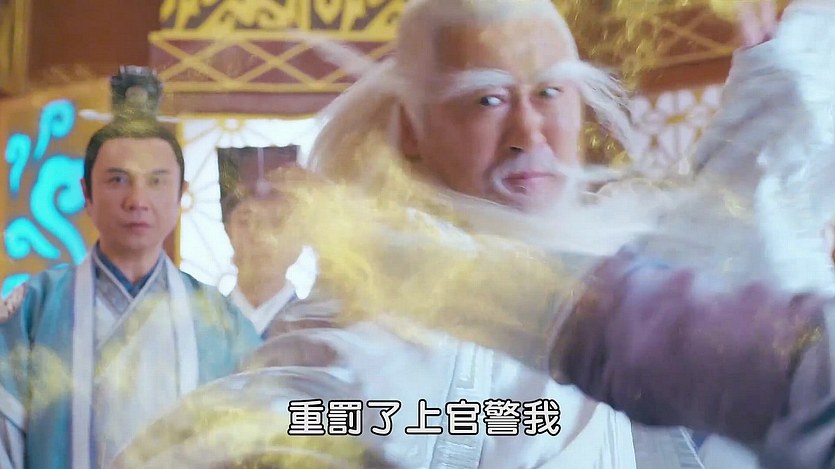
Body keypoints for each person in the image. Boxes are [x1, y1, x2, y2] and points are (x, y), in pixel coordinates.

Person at [0, 119, 262, 468]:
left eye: (156, 181)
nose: (137, 200)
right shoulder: (33, 309)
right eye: (118, 180)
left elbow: (256, 437)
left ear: (180, 194)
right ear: (87, 194)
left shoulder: (222, 320)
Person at [217, 145, 317, 336]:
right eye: (246, 221)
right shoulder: (200, 328)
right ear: (228, 229)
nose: (262, 236)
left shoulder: (314, 331)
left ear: (301, 234)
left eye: (277, 223)